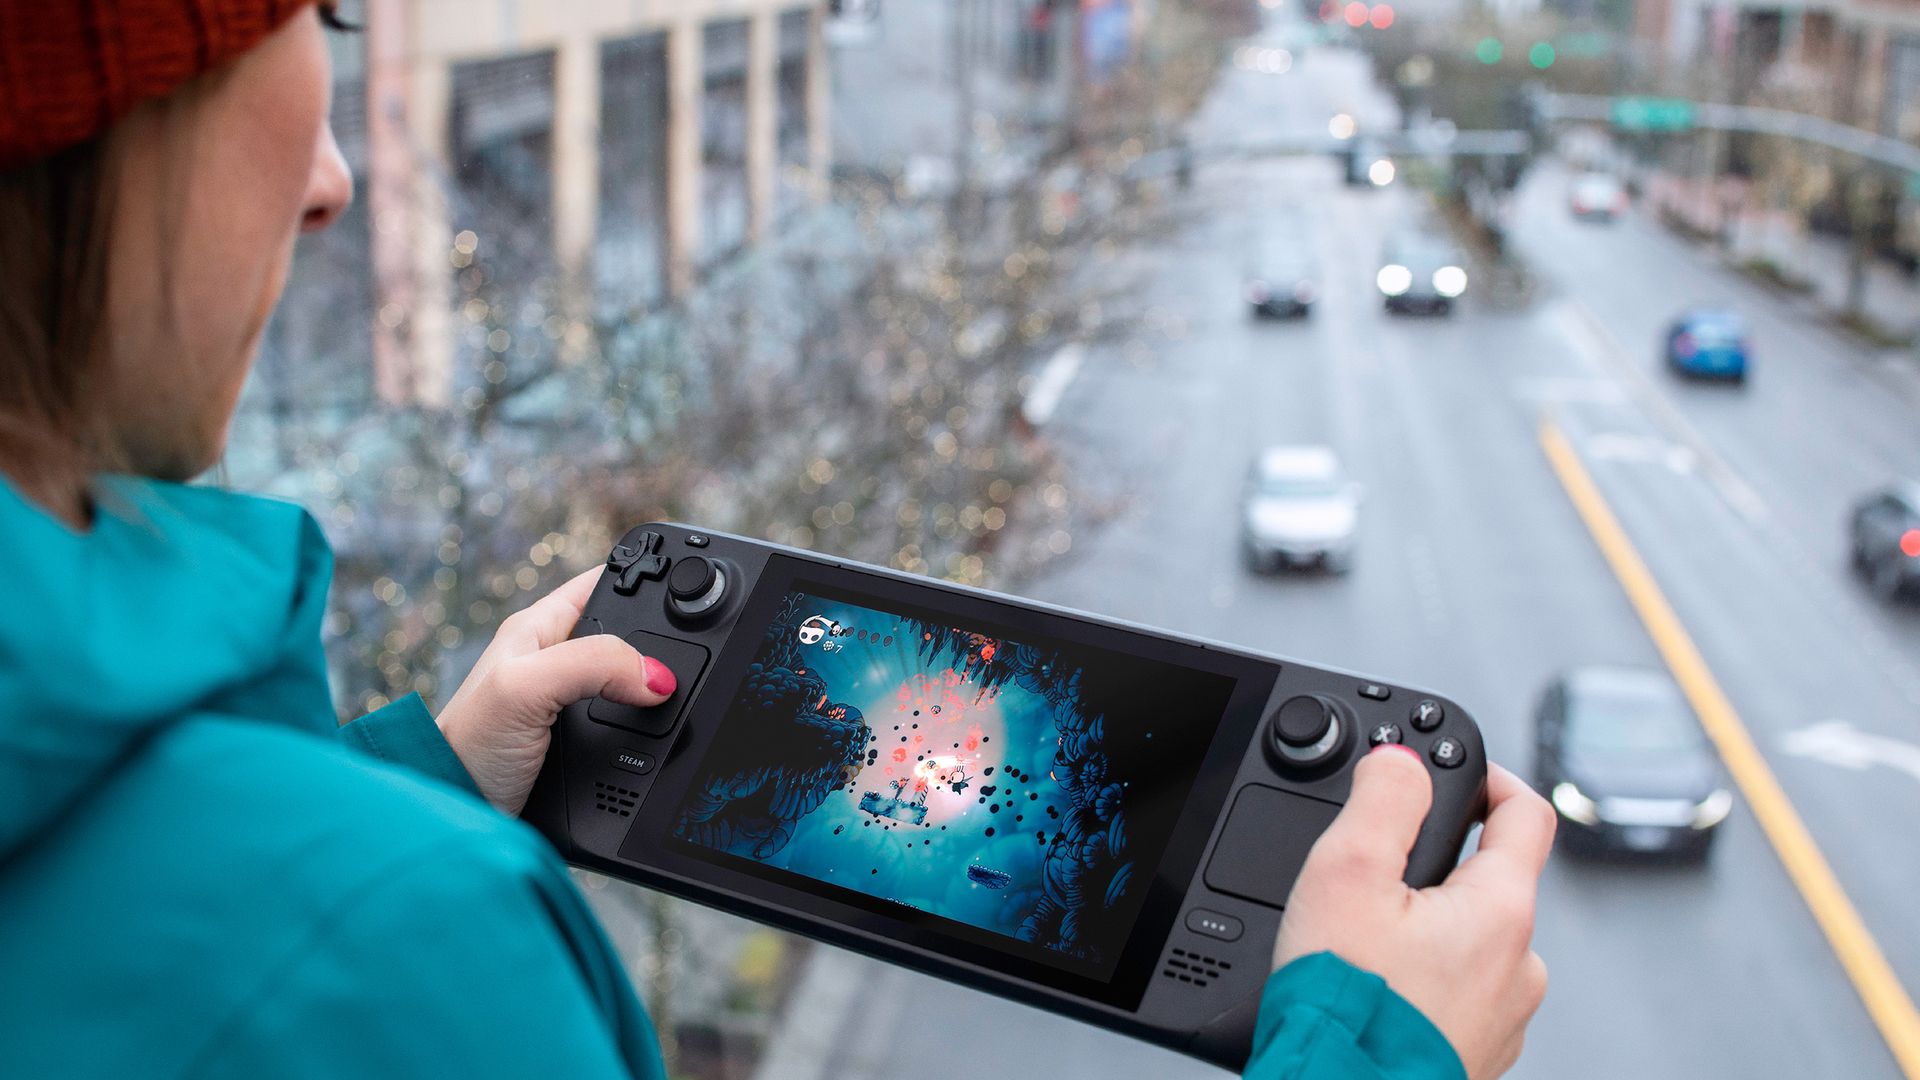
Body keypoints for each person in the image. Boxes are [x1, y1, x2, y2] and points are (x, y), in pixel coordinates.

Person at [0, 3, 1553, 1077]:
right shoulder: (408, 951)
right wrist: (1371, 1056)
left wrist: (391, 787)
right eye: (319, 25)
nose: (332, 181)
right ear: (94, 130)